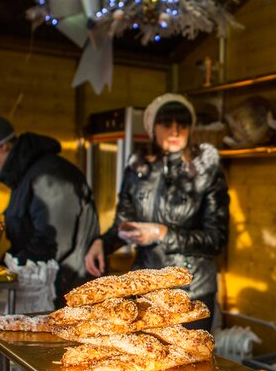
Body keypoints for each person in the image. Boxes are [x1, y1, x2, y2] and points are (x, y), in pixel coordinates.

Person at [85, 94, 229, 331]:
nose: (174, 132)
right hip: (146, 288)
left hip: (191, 291)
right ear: (152, 128)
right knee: (148, 360)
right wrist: (102, 243)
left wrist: (162, 233)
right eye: (166, 124)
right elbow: (123, 224)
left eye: (181, 125)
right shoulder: (138, 168)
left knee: (187, 361)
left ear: (190, 129)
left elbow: (216, 240)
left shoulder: (206, 172)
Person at [0, 113, 99, 301]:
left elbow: (51, 244)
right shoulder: (24, 177)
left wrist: (2, 272)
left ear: (3, 146)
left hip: (68, 293)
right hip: (45, 288)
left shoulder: (50, 177)